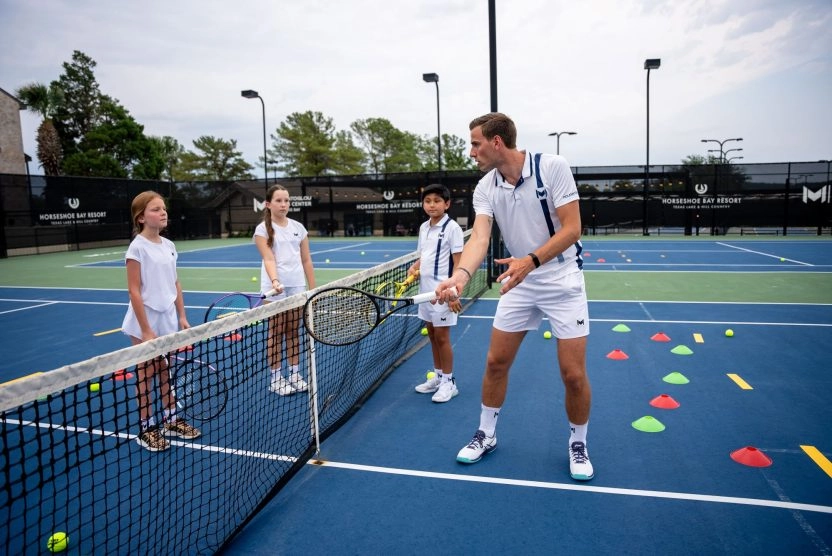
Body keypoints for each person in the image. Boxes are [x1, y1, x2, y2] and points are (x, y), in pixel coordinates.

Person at [434, 113, 594, 481]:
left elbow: (573, 228)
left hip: (562, 278)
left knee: (572, 375)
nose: (470, 151)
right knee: (495, 362)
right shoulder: (485, 188)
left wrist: (532, 260)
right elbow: (479, 238)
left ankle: (578, 442)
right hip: (519, 280)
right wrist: (459, 277)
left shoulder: (552, 167)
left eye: (475, 143)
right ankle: (486, 434)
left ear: (496, 142)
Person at [122, 191, 201, 452]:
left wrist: (181, 316)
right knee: (145, 374)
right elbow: (134, 290)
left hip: (168, 318)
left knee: (165, 370)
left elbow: (175, 283)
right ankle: (147, 427)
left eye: (164, 208)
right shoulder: (137, 247)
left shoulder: (169, 246)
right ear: (141, 217)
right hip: (143, 320)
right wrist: (145, 329)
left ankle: (170, 420)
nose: (163, 212)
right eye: (156, 209)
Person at [254, 184, 316, 396]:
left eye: (286, 200)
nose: (283, 204)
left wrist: (313, 289)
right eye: (279, 200)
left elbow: (306, 260)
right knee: (276, 331)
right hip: (274, 288)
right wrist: (275, 281)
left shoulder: (298, 228)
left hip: (297, 286)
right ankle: (276, 378)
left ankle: (295, 374)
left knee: (293, 331)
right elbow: (269, 258)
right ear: (268, 204)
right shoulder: (262, 230)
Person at [409, 183, 464, 403]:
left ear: (447, 204)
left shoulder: (453, 229)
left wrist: (453, 293)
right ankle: (439, 377)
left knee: (442, 338)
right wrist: (415, 266)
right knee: (432, 335)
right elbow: (425, 256)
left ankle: (449, 383)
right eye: (428, 201)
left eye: (437, 201)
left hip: (444, 293)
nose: (432, 205)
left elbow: (460, 265)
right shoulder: (424, 228)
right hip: (425, 293)